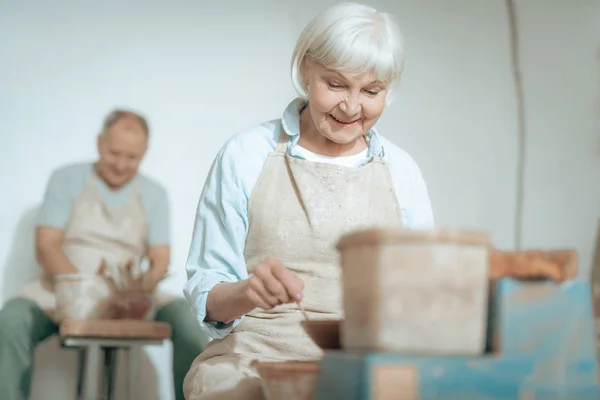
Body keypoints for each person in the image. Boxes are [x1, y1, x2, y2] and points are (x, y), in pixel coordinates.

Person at [182, 2, 434, 399]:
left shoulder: (401, 173)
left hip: (364, 362)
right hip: (256, 354)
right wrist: (248, 292)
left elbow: (422, 296)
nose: (352, 107)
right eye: (334, 84)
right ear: (305, 71)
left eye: (371, 91)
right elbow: (208, 294)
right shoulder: (245, 155)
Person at [0, 110, 207, 400]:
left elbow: (160, 259)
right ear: (99, 144)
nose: (121, 164)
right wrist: (84, 289)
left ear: (144, 153)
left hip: (128, 294)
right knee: (11, 320)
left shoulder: (154, 193)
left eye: (132, 158)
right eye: (114, 153)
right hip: (62, 289)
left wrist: (140, 291)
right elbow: (46, 244)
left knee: (189, 320)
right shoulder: (65, 179)